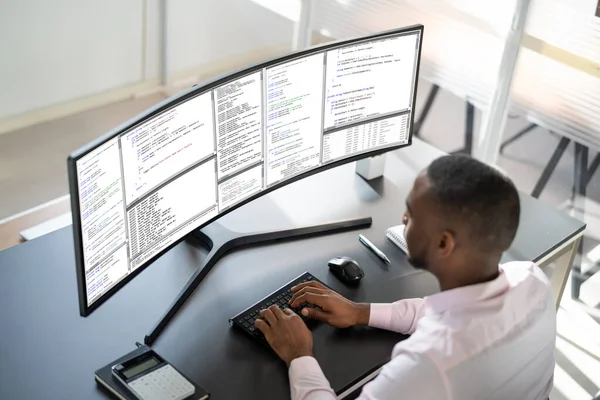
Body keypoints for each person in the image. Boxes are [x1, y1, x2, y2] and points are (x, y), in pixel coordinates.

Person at [255, 154, 556, 400]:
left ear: (443, 243)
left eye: (411, 214)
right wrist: (360, 312)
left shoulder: (429, 365)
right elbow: (441, 312)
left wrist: (299, 356)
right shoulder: (531, 280)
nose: (402, 219)